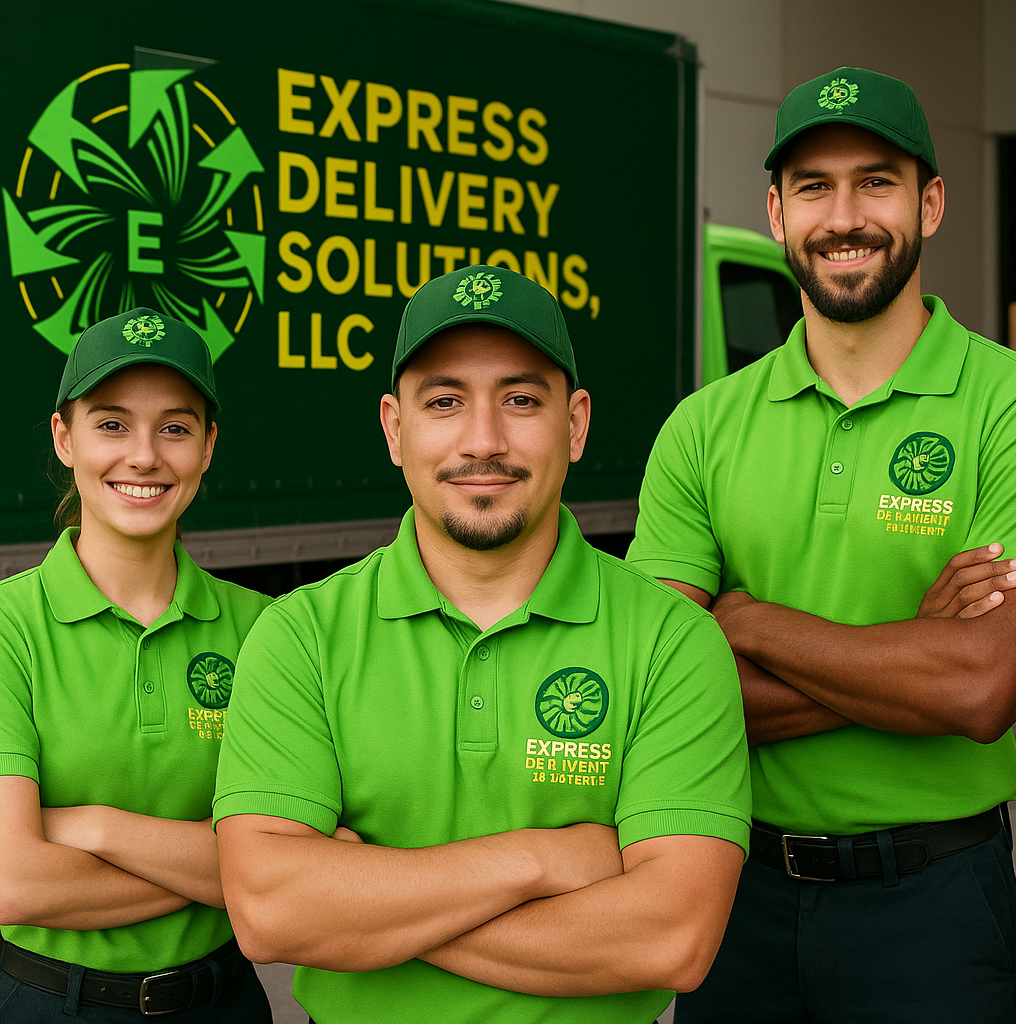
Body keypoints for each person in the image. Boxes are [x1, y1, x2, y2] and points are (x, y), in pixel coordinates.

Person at [212, 265, 751, 1024]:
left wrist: (367, 904)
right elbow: (271, 914)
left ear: (576, 424)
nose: (484, 441)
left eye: (521, 400)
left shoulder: (673, 640)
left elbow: (672, 938)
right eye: (444, 402)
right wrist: (540, 859)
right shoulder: (301, 635)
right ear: (395, 429)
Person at [627, 67, 1016, 1022]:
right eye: (813, 186)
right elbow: (660, 706)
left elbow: (981, 690)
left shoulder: (1008, 407)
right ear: (776, 212)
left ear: (931, 203)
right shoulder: (702, 428)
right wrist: (909, 659)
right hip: (736, 894)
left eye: (876, 182)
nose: (844, 217)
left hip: (936, 904)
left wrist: (748, 622)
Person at [0, 308, 273, 1022]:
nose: (145, 456)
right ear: (65, 438)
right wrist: (231, 870)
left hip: (225, 1003)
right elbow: (14, 882)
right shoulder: (9, 626)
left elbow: (308, 863)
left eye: (175, 428)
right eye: (113, 424)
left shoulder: (266, 630)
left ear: (208, 447)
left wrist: (93, 826)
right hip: (46, 1003)